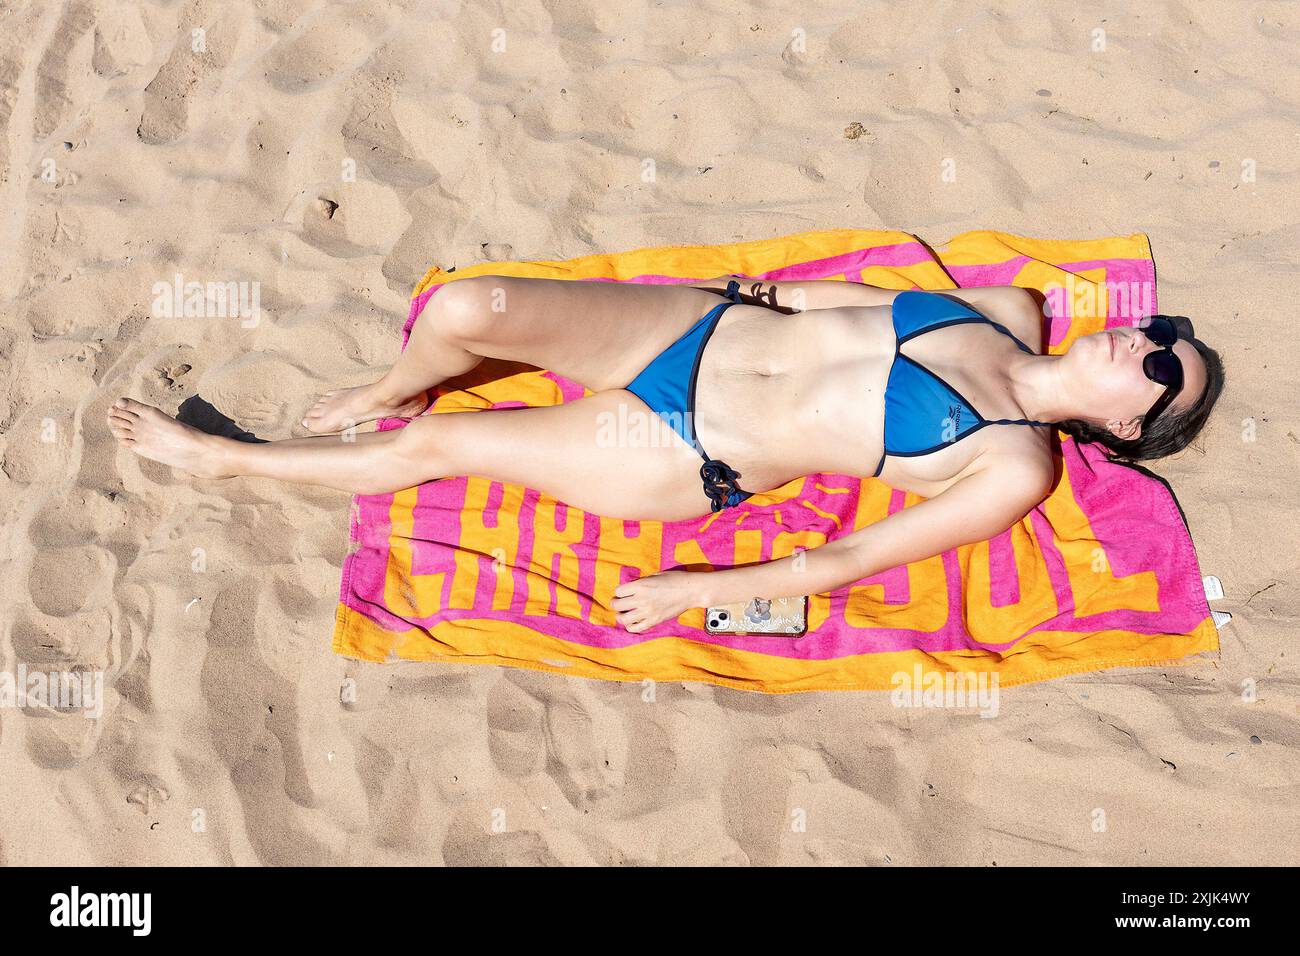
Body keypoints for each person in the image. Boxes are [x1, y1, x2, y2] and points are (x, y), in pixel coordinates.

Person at [106, 274, 1224, 633]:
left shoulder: (1012, 467)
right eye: (1167, 336)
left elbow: (847, 560)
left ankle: (227, 462)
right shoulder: (1009, 307)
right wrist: (762, 295)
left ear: (1129, 426)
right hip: (697, 327)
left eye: (1164, 369)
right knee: (463, 304)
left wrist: (709, 588)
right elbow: (838, 296)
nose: (1155, 342)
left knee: (444, 439)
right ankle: (384, 379)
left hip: (681, 444)